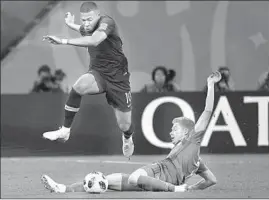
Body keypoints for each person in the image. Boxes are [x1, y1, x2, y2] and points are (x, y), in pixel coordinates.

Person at [41, 72, 221, 193]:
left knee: (134, 178)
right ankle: (63, 189)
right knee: (107, 180)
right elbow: (211, 180)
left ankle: (174, 190)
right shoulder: (198, 162)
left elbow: (207, 112)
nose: (171, 132)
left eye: (175, 129)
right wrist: (192, 189)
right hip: (157, 178)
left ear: (187, 133)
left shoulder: (192, 140)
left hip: (160, 173)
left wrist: (210, 85)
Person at [42, 2, 134, 158]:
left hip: (118, 79)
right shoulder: (88, 26)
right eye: (83, 19)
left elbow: (94, 40)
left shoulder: (107, 22)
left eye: (89, 19)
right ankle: (65, 131)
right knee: (78, 86)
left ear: (98, 16)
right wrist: (71, 24)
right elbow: (84, 30)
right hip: (98, 73)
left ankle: (127, 137)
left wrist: (63, 41)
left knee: (124, 125)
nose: (86, 23)